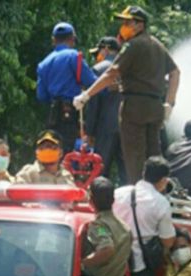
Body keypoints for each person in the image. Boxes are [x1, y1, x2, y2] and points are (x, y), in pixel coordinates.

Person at [73, 5, 181, 184]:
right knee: (153, 153)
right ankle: (158, 189)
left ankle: (138, 193)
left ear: (140, 25)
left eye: (127, 22)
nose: (123, 26)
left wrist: (87, 95)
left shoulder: (133, 45)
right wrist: (169, 104)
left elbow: (111, 73)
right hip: (155, 107)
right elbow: (176, 73)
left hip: (134, 107)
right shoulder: (157, 45)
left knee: (134, 155)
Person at [113, 156, 175, 276]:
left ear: (143, 173)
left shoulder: (118, 193)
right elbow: (168, 240)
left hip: (114, 262)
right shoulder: (161, 203)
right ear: (163, 180)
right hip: (141, 267)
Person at [37, 22, 97, 152]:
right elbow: (91, 82)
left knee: (55, 148)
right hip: (71, 112)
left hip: (52, 115)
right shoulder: (73, 56)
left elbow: (41, 96)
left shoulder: (44, 63)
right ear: (72, 39)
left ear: (53, 40)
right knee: (69, 151)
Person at [82, 177, 132, 276]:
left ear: (90, 199)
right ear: (113, 200)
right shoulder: (123, 226)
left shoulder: (99, 226)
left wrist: (82, 263)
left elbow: (107, 249)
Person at [84, 37, 127, 184]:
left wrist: (89, 131)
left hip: (105, 127)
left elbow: (93, 103)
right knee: (128, 173)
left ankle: (99, 204)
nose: (97, 57)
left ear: (106, 49)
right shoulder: (130, 68)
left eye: (98, 52)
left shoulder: (99, 69)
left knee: (100, 170)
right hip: (128, 126)